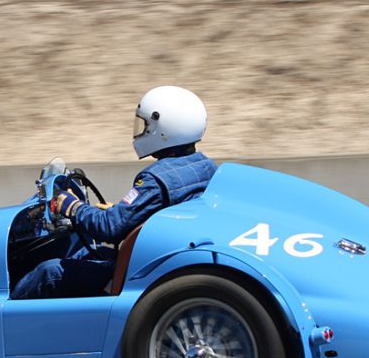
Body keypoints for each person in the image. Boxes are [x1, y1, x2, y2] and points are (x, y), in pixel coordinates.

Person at [11, 85, 217, 300]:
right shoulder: (204, 166)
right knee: (83, 251)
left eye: (146, 124)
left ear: (166, 128)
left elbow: (109, 227)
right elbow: (145, 210)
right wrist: (117, 210)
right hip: (160, 260)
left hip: (134, 273)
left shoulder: (156, 180)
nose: (142, 130)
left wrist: (71, 206)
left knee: (48, 272)